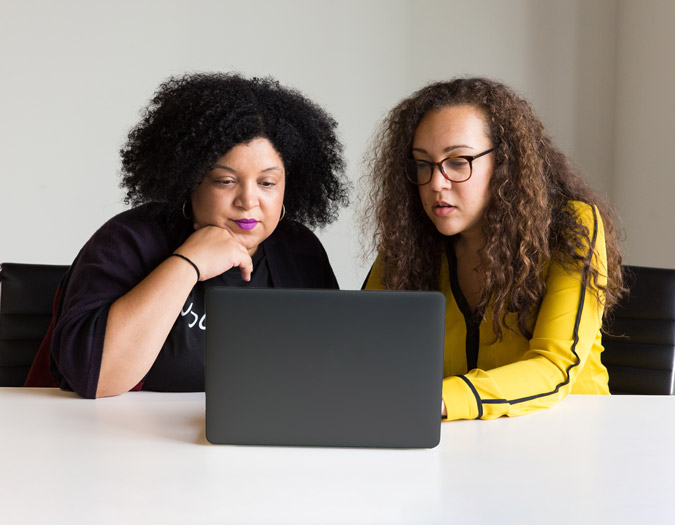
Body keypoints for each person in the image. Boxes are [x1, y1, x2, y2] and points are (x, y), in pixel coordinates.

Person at [37, 72, 348, 398]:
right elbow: (95, 377)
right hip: (123, 439)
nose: (248, 200)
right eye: (225, 181)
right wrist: (188, 263)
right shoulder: (129, 240)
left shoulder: (300, 251)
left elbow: (335, 369)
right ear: (190, 178)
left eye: (267, 183)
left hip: (258, 440)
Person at [362, 77, 625, 421]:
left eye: (458, 162)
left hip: (569, 440)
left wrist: (437, 399)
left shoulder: (570, 227)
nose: (436, 183)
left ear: (505, 164)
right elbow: (363, 346)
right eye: (423, 164)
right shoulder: (410, 240)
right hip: (453, 442)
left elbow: (554, 366)